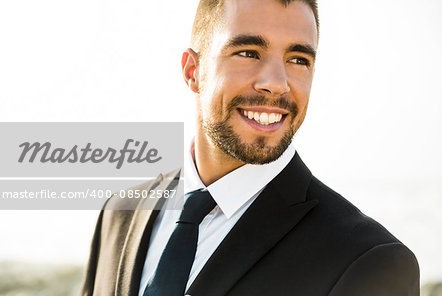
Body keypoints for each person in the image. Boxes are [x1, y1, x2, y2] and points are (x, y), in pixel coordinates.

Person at [81, 0, 420, 295]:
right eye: (248, 52)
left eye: (298, 59)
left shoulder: (369, 260)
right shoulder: (120, 213)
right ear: (192, 71)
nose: (276, 83)